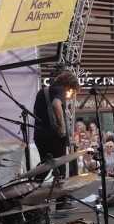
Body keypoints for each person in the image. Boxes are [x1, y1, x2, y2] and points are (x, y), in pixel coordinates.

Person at [32, 71, 81, 213]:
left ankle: (30, 196)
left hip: (40, 135)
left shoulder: (43, 91)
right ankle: (61, 203)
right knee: (60, 169)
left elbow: (36, 112)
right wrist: (63, 128)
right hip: (54, 136)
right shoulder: (60, 90)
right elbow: (56, 104)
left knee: (43, 167)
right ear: (69, 84)